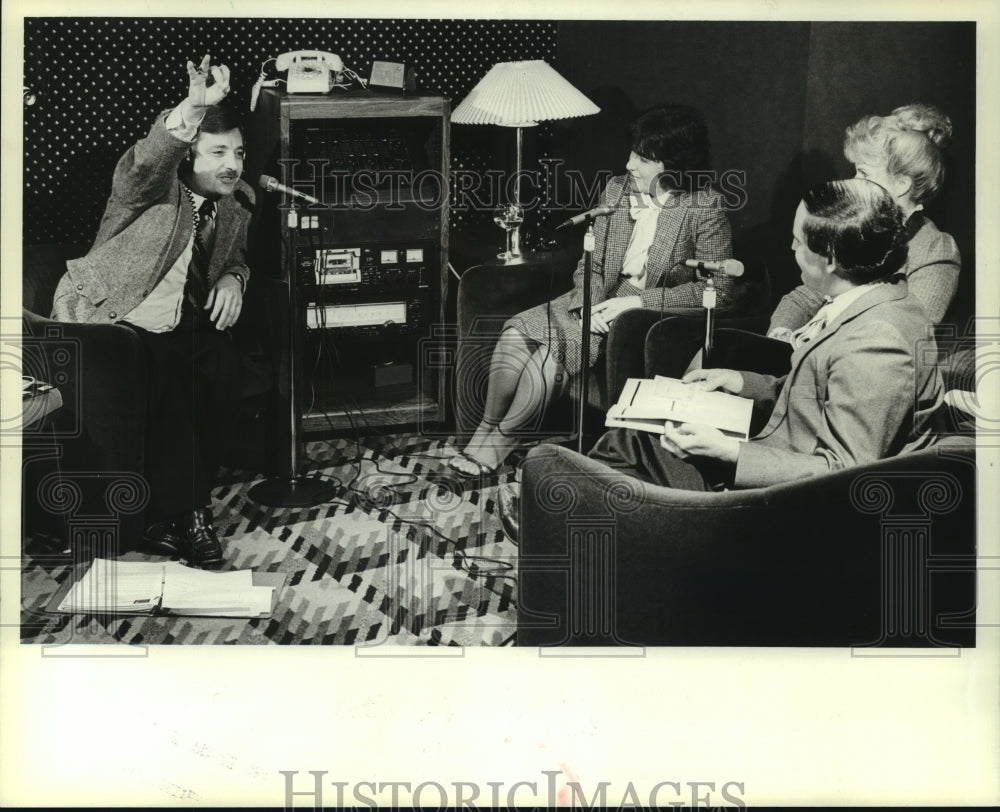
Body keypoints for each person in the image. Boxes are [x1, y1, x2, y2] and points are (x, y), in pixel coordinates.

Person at [498, 178, 944, 539]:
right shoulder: (871, 302)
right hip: (782, 453)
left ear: (829, 259)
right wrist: (741, 381)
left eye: (796, 241)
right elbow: (826, 393)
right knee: (634, 436)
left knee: (618, 450)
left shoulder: (879, 342)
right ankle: (566, 528)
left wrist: (728, 451)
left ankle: (566, 531)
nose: (790, 250)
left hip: (788, 507)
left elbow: (846, 474)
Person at [451, 105, 737, 476]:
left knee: (553, 353)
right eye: (633, 152)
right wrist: (589, 301)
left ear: (673, 163)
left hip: (642, 312)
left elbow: (719, 289)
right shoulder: (617, 189)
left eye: (643, 158)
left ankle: (499, 446)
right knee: (515, 332)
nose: (630, 163)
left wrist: (635, 303)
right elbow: (592, 263)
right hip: (598, 295)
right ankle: (482, 436)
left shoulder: (704, 205)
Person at [51, 55, 254, 567]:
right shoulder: (149, 190)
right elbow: (148, 160)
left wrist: (234, 278)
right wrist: (192, 106)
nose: (232, 163)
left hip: (174, 320)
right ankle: (191, 516)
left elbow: (235, 259)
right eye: (218, 152)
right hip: (111, 318)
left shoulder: (237, 202)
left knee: (224, 371)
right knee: (171, 381)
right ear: (190, 155)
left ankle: (165, 516)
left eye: (239, 152)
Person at [769, 103, 960, 342]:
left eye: (864, 173)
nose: (853, 181)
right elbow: (805, 297)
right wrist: (779, 336)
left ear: (902, 184)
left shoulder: (934, 248)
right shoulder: (856, 228)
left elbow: (906, 336)